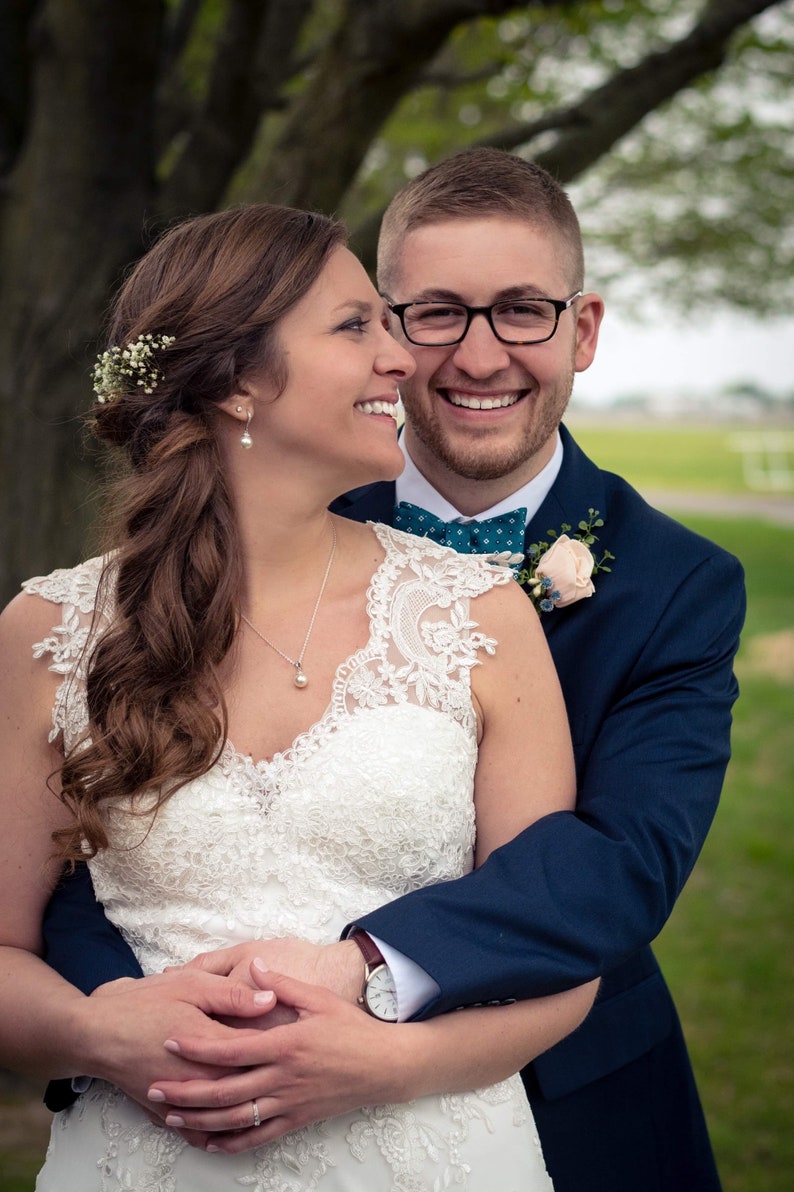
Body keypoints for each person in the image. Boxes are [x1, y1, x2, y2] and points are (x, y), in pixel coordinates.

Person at [36, 149, 744, 1190]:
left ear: (580, 330)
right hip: (181, 1097)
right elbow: (90, 839)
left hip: (564, 1088)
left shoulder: (676, 581)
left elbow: (617, 863)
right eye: (430, 314)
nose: (476, 355)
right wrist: (143, 1028)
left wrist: (363, 979)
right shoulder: (277, 493)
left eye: (520, 312)